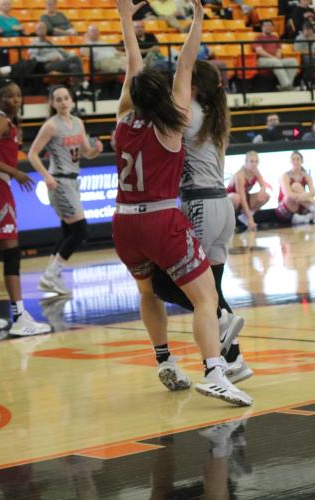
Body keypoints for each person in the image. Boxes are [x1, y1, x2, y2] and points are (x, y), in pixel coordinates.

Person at [112, 0, 252, 406]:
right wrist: (198, 20)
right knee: (206, 301)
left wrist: (125, 20)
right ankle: (215, 371)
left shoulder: (122, 120)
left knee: (148, 293)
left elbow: (132, 70)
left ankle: (164, 358)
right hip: (161, 218)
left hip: (123, 223)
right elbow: (187, 64)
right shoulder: (172, 120)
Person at [151, 62, 254, 386]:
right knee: (213, 288)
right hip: (222, 206)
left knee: (163, 284)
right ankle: (235, 360)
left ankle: (223, 320)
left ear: (192, 85)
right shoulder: (216, 114)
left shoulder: (188, 110)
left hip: (199, 204)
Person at [0, 79, 52, 336]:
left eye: (18, 95)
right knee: (11, 252)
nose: (15, 100)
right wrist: (15, 172)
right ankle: (18, 317)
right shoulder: (1, 119)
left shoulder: (3, 121)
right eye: (8, 96)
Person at [28, 85, 103, 295]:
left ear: (72, 101)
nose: (62, 102)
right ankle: (51, 274)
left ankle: (51, 276)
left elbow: (86, 153)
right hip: (59, 182)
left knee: (68, 232)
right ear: (53, 103)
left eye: (66, 98)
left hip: (73, 181)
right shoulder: (51, 126)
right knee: (81, 231)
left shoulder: (78, 123)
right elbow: (32, 154)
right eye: (58, 99)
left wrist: (96, 150)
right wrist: (47, 176)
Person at [275, 150, 315, 225]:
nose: (296, 162)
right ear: (290, 162)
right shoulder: (285, 176)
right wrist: (309, 199)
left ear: (302, 161)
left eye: (298, 159)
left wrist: (307, 198)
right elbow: (288, 194)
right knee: (295, 186)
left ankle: (307, 217)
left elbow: (313, 192)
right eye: (293, 159)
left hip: (302, 206)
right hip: (287, 208)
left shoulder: (306, 175)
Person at [227, 151, 271, 231]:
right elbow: (242, 199)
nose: (254, 164)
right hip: (229, 200)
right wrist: (250, 219)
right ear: (246, 162)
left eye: (256, 161)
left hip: (243, 198)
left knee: (266, 196)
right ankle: (228, 222)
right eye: (251, 161)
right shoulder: (240, 175)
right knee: (237, 198)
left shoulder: (256, 171)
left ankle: (244, 217)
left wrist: (262, 190)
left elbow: (263, 185)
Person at [253, 19, 298, 91]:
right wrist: (273, 58)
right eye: (266, 25)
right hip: (262, 60)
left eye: (270, 25)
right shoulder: (258, 37)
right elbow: (259, 51)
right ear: (262, 27)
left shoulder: (275, 37)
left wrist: (277, 57)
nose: (268, 27)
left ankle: (287, 86)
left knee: (293, 61)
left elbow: (279, 50)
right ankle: (286, 85)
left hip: (275, 60)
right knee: (276, 62)